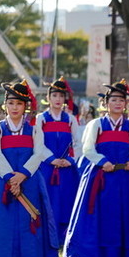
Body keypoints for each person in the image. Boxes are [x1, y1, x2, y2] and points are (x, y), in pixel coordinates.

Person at [0, 80, 61, 257]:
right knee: (1, 226)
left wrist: (22, 175)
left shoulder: (34, 129)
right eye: (11, 103)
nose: (14, 107)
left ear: (25, 106)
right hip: (0, 183)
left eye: (19, 104)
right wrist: (10, 178)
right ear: (5, 105)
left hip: (29, 182)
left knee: (29, 227)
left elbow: (38, 153)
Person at [63, 79, 129, 257]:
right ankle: (98, 254)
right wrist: (102, 162)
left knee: (124, 214)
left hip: (124, 177)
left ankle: (124, 256)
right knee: (100, 214)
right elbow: (88, 148)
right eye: (114, 100)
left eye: (121, 100)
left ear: (126, 104)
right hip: (100, 177)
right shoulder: (97, 124)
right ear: (106, 103)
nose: (118, 103)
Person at [35, 76, 81, 244]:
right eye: (54, 95)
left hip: (67, 168)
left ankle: (64, 236)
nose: (58, 99)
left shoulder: (70, 119)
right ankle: (46, 236)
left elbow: (78, 142)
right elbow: (37, 143)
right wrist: (51, 159)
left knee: (66, 200)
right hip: (47, 168)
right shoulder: (41, 118)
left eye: (61, 96)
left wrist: (70, 160)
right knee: (48, 199)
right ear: (48, 98)